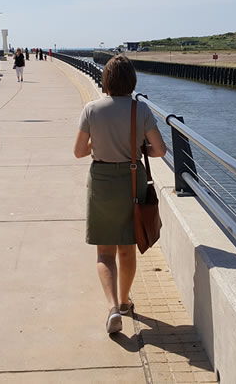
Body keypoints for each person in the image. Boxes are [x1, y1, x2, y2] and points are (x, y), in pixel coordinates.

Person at [73, 55, 167, 334]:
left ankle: (113, 307)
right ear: (131, 81)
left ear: (106, 81)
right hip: (132, 179)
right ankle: (125, 302)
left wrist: (97, 144)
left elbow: (79, 151)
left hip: (102, 181)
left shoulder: (92, 109)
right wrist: (138, 149)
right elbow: (160, 150)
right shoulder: (141, 109)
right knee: (126, 249)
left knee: (105, 253)